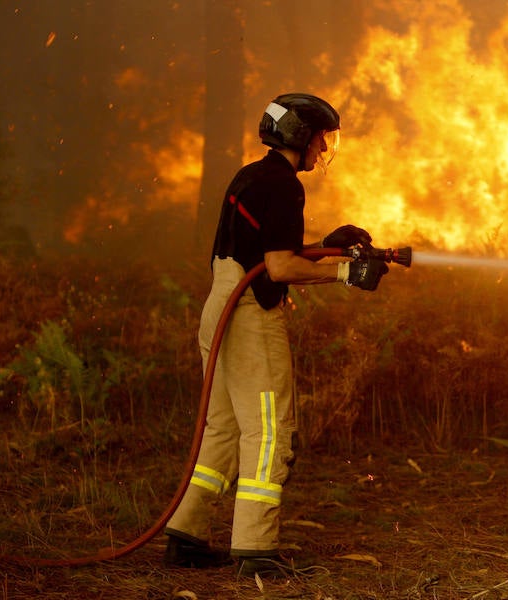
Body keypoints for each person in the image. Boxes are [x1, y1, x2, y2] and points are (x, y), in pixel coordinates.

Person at [162, 93, 389, 578]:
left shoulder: (251, 175)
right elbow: (278, 266)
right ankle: (255, 548)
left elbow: (265, 250)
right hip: (249, 317)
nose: (323, 150)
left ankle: (186, 534)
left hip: (218, 305)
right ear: (301, 137)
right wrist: (347, 272)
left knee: (221, 429)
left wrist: (327, 247)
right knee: (269, 431)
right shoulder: (285, 186)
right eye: (321, 140)